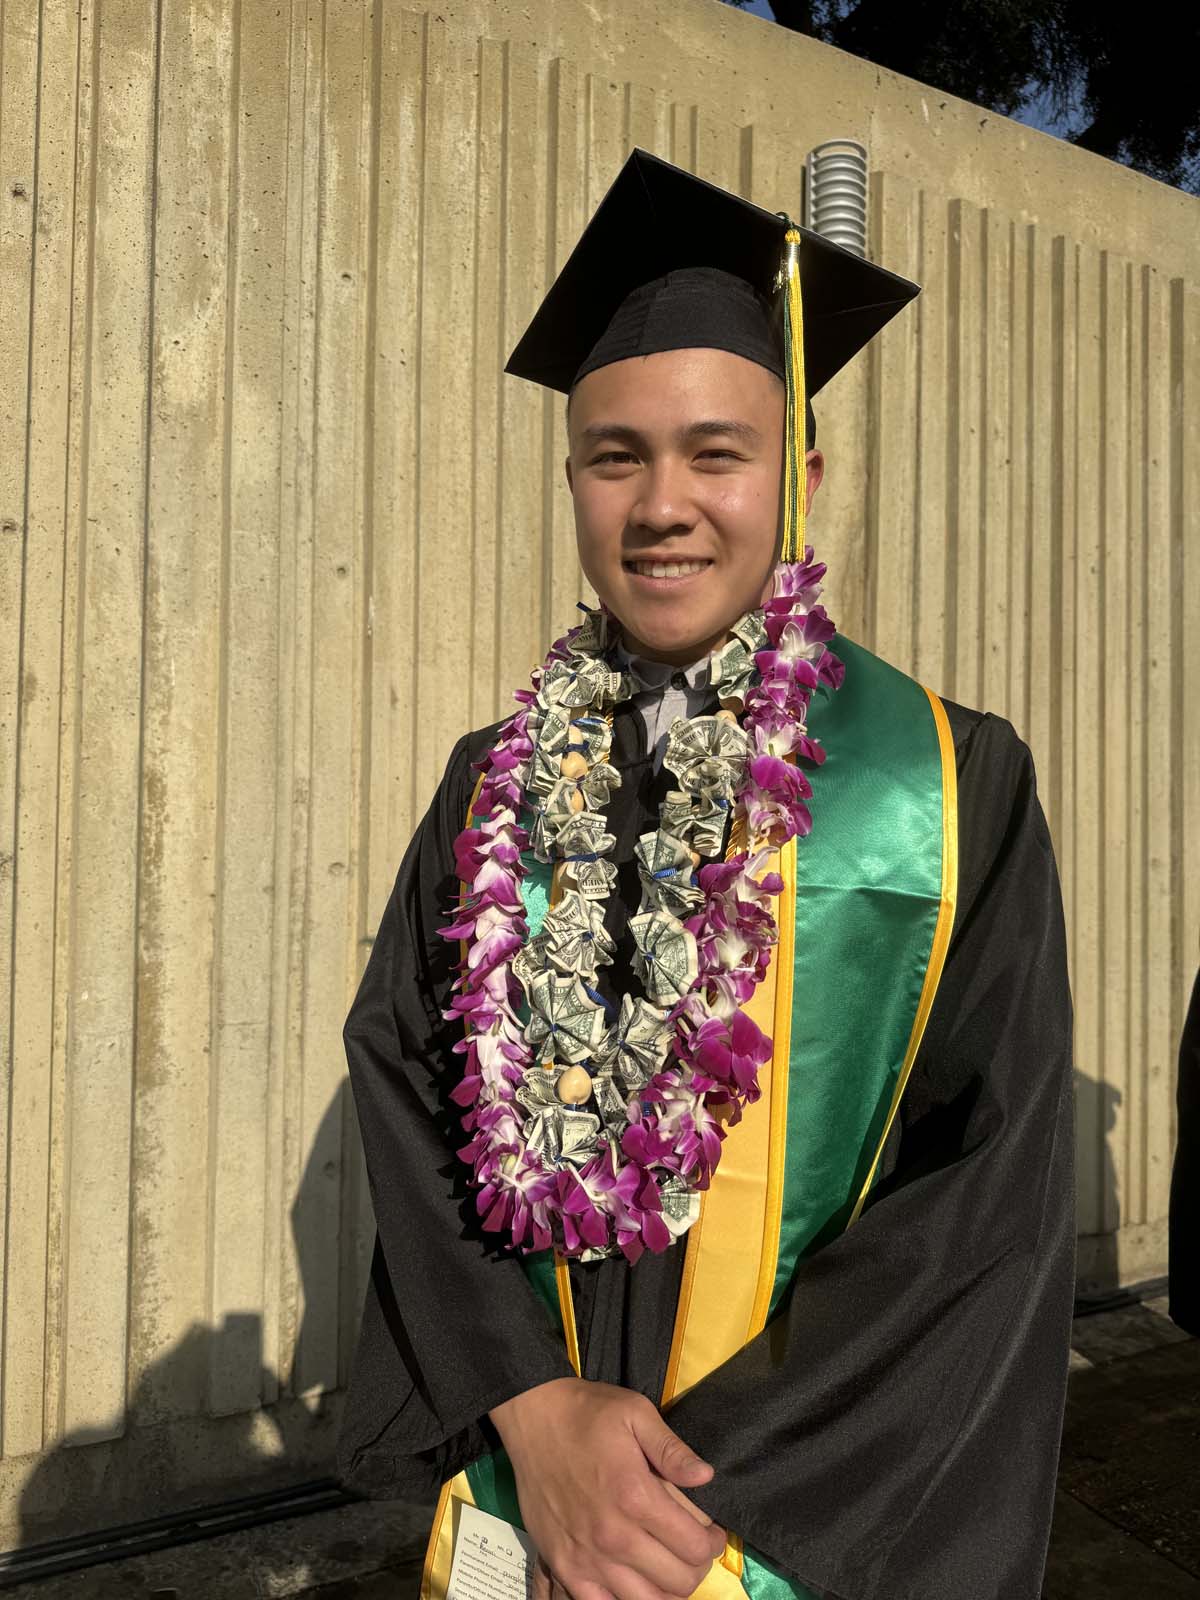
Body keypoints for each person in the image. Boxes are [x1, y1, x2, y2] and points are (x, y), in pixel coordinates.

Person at [338, 151, 1076, 1600]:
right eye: (617, 456)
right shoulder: (492, 783)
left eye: (715, 452)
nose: (662, 502)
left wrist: (673, 1513)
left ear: (798, 479)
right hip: (525, 1475)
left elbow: (987, 1193)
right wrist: (539, 1419)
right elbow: (404, 1075)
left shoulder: (947, 783)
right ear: (573, 483)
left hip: (792, 1509)